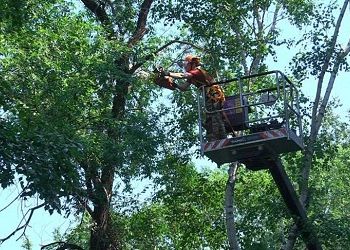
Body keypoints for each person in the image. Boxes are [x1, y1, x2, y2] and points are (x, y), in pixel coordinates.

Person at [162, 54, 227, 141]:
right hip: (209, 97)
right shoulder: (192, 75)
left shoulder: (196, 72)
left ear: (192, 64)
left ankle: (220, 138)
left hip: (214, 96)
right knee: (212, 117)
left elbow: (182, 75)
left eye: (186, 64)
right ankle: (217, 137)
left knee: (215, 117)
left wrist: (168, 73)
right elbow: (184, 88)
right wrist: (173, 84)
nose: (185, 67)